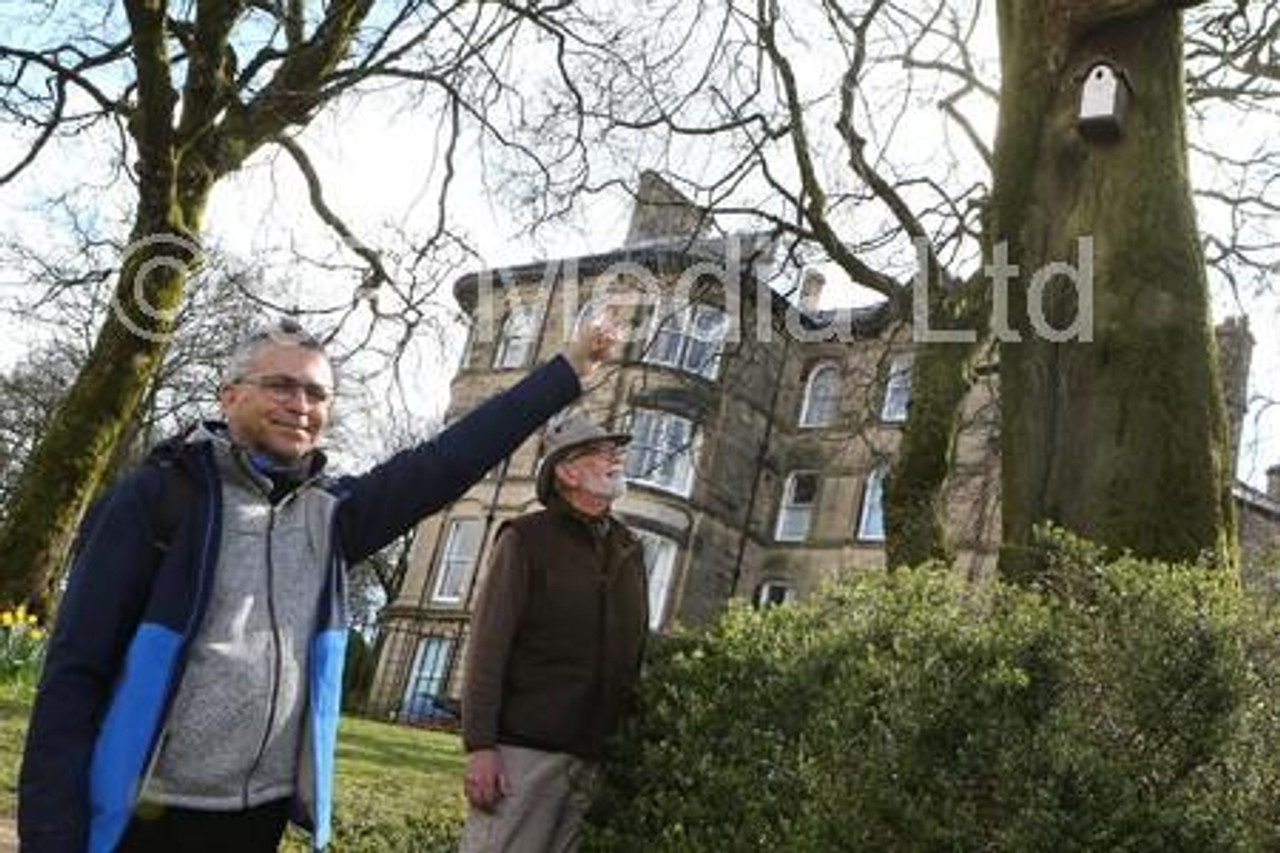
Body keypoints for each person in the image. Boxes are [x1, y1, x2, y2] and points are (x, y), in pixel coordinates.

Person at [18, 315, 617, 853]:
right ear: (229, 395)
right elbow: (75, 670)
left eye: (316, 393)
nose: (300, 404)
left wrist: (568, 370)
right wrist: (50, 835)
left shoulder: (332, 514)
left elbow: (447, 460)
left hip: (259, 815)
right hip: (149, 811)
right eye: (280, 385)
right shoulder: (157, 499)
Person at [460, 411, 649, 853]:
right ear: (567, 472)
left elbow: (634, 652)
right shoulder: (526, 538)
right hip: (524, 753)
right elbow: (488, 646)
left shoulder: (629, 548)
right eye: (601, 452)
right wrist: (481, 746)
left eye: (615, 450)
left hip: (596, 755)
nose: (615, 459)